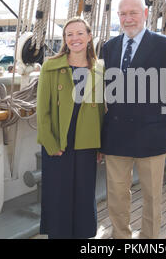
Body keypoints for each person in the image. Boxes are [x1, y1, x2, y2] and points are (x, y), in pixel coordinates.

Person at [101, 0, 166, 239]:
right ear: (118, 16)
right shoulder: (109, 47)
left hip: (151, 133)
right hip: (116, 135)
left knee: (152, 196)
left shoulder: (165, 46)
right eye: (123, 14)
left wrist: (151, 113)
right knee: (116, 194)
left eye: (133, 13)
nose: (128, 19)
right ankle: (121, 237)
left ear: (145, 14)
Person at [36, 17, 104, 239]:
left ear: (89, 36)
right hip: (58, 140)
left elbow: (101, 110)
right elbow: (42, 110)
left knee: (84, 194)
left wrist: (100, 145)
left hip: (87, 141)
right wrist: (50, 142)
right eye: (69, 35)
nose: (75, 39)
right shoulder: (50, 66)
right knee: (59, 195)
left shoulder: (99, 68)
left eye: (79, 33)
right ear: (65, 39)